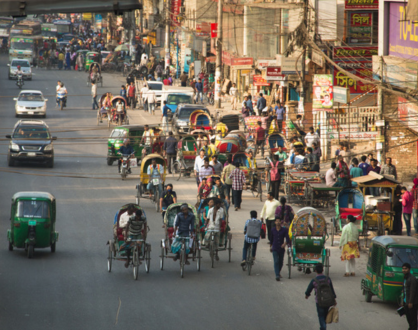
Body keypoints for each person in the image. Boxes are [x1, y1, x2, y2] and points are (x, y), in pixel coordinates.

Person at [305, 264, 337, 330]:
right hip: (328, 301)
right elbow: (331, 290)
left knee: (321, 315)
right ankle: (323, 327)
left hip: (319, 301)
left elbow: (309, 289)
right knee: (325, 314)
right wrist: (334, 299)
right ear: (322, 270)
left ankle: (323, 327)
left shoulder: (314, 281)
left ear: (315, 270)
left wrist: (307, 295)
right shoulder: (328, 279)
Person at [271, 216, 291, 280]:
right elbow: (271, 239)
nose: (278, 222)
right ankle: (277, 275)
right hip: (275, 247)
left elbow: (287, 239)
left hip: (281, 248)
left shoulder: (284, 230)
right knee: (276, 261)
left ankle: (278, 272)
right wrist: (271, 246)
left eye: (279, 221)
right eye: (277, 221)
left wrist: (284, 244)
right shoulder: (273, 230)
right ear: (275, 222)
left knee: (281, 262)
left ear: (281, 222)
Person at [402, 262, 418, 330]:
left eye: (405, 269)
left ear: (409, 269)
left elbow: (412, 291)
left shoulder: (412, 279)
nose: (404, 270)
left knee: (413, 319)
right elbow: (405, 291)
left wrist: (410, 302)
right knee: (408, 318)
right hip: (406, 302)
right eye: (403, 269)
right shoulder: (406, 278)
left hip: (412, 303)